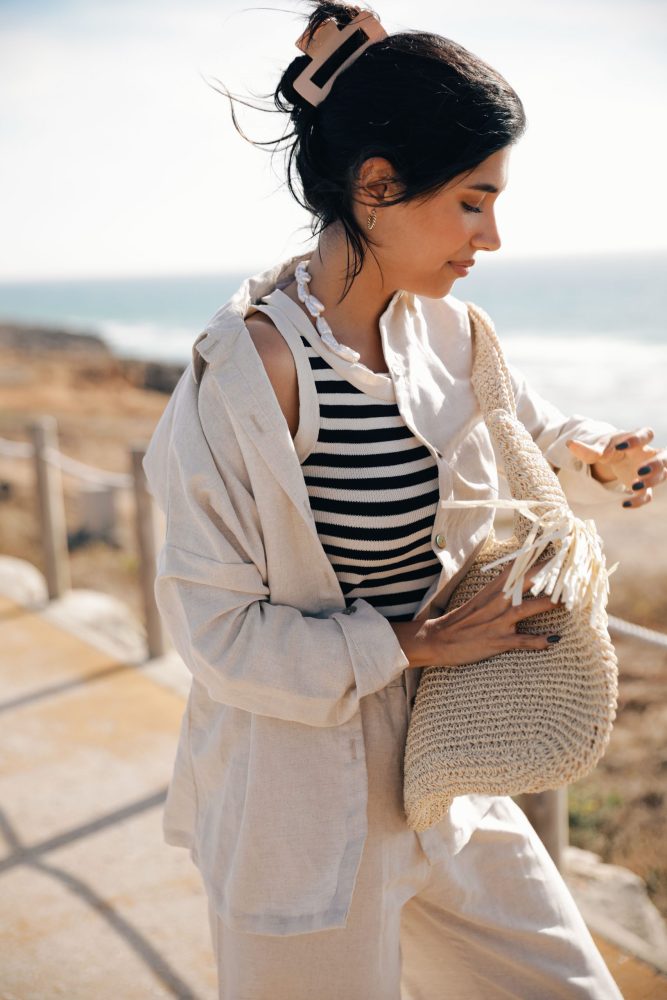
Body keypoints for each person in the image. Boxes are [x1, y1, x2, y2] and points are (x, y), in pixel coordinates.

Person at [141, 3, 665, 997]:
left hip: (443, 754)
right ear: (377, 187)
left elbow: (522, 428)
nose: (492, 236)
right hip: (297, 789)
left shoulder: (449, 332)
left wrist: (595, 454)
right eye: (471, 201)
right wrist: (414, 642)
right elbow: (213, 630)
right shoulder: (249, 370)